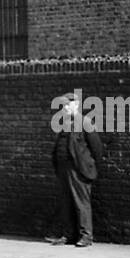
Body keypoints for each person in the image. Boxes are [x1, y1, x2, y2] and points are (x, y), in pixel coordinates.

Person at [46, 91, 103, 248]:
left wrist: (88, 166)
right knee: (66, 203)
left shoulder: (85, 122)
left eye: (66, 104)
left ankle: (86, 236)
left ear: (76, 104)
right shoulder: (64, 123)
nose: (64, 108)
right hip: (64, 169)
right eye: (62, 105)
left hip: (78, 170)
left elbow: (97, 149)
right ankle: (68, 234)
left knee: (81, 203)